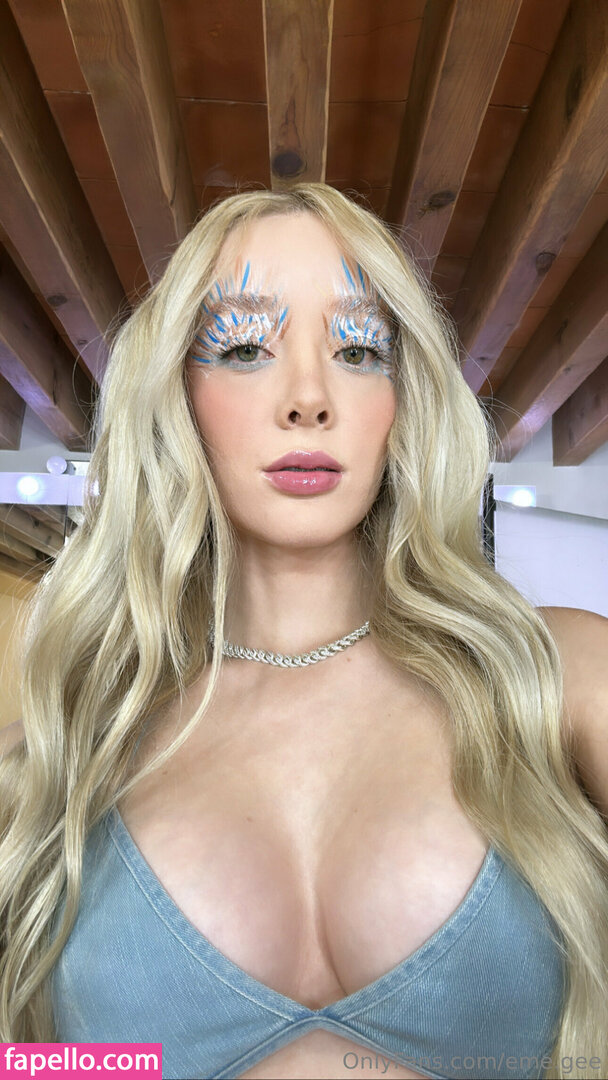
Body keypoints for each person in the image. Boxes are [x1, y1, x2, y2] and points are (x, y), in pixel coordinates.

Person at [0, 183, 607, 1080]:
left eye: (359, 349)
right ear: (178, 395)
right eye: (245, 347)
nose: (310, 399)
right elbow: (34, 1063)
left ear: (402, 399)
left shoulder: (561, 675)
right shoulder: (61, 748)